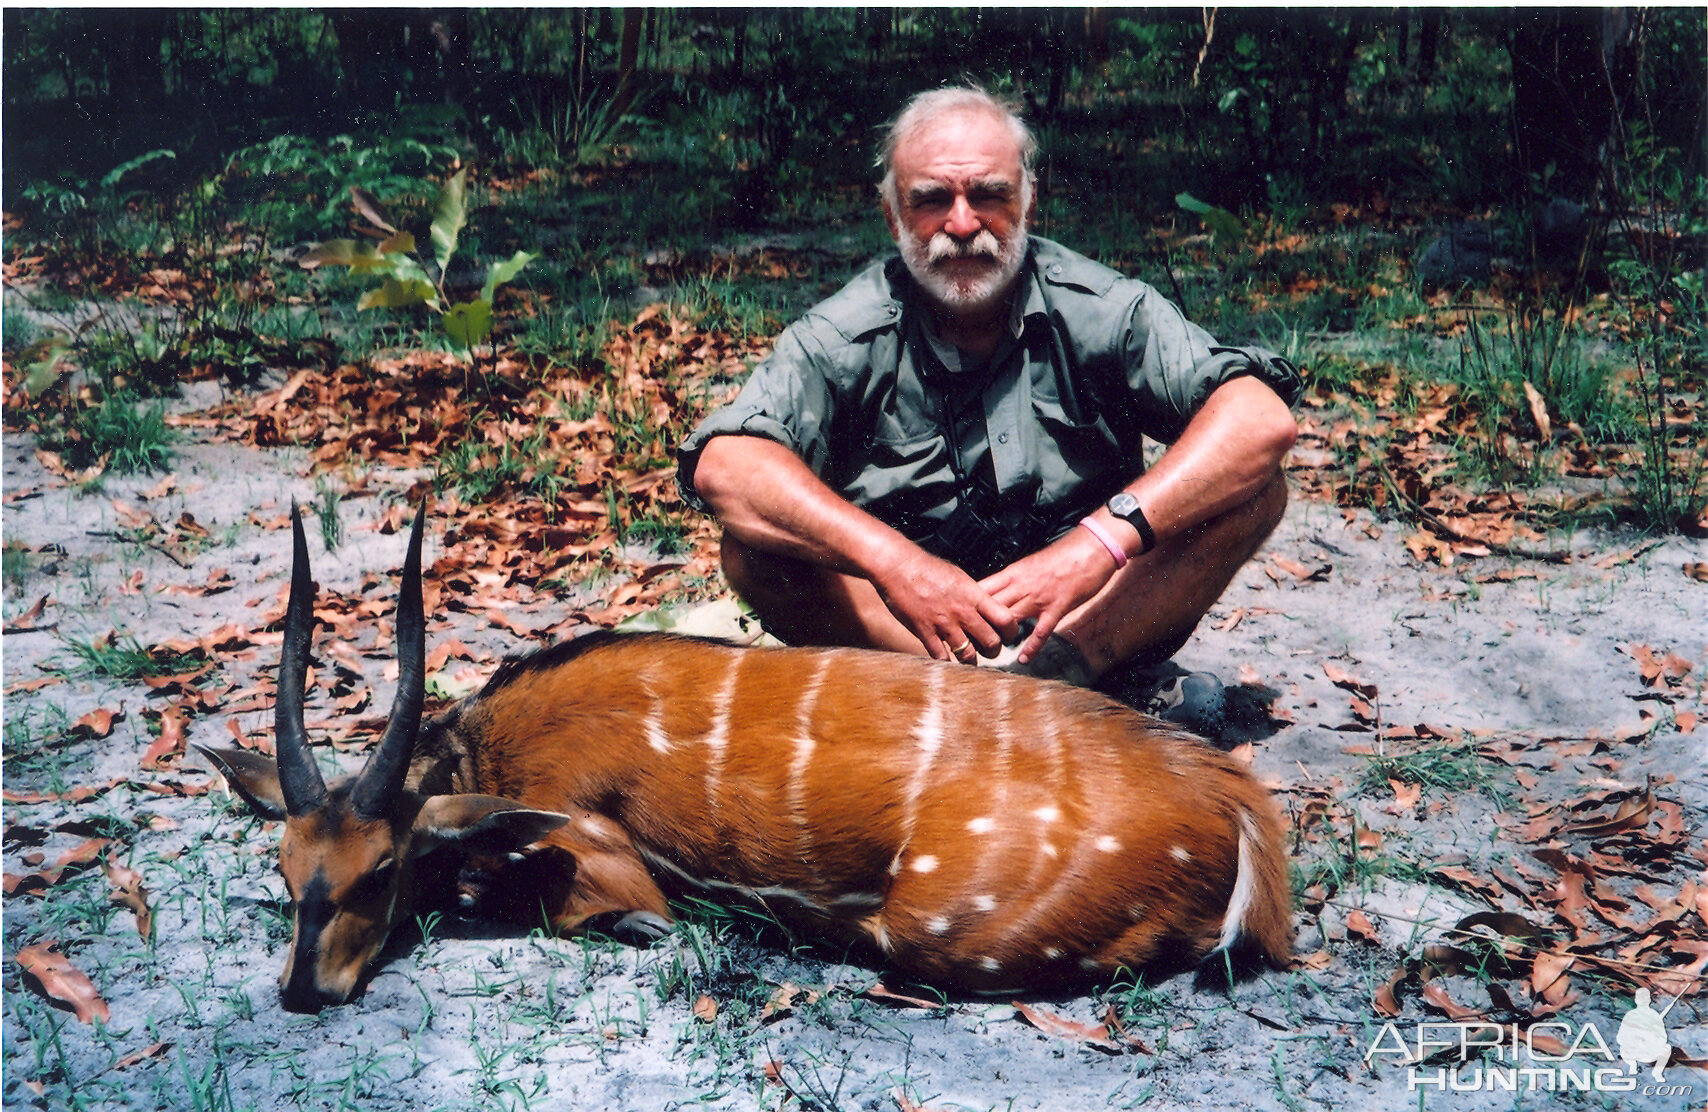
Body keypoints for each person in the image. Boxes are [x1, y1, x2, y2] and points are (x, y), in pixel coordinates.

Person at [677, 86, 1300, 735]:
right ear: (893, 217)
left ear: (1029, 201)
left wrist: (1100, 542)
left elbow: (1260, 419)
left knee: (1255, 488)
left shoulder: (1104, 308)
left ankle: (1051, 685)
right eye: (931, 200)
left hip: (1090, 620)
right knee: (753, 549)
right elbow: (726, 467)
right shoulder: (842, 336)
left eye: (989, 195)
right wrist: (898, 565)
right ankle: (987, 699)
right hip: (917, 638)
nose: (964, 223)